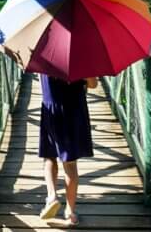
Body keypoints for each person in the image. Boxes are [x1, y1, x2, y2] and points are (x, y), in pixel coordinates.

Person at [38, 73, 98, 226]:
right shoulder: (83, 54)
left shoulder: (42, 53)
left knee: (49, 157)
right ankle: (70, 212)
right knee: (70, 164)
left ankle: (52, 196)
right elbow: (93, 84)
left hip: (51, 108)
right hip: (74, 111)